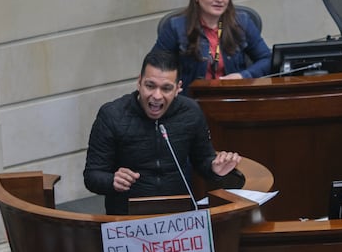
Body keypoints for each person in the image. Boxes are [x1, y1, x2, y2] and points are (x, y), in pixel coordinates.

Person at [83, 50, 241, 215]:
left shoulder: (190, 112)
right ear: (139, 82)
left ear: (178, 88)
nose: (157, 96)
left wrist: (214, 169)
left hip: (177, 215)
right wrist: (111, 180)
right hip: (127, 217)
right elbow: (92, 176)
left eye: (166, 88)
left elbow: (203, 160)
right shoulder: (112, 115)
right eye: (150, 86)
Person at [152, 0, 271, 94]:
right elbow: (155, 66)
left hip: (234, 98)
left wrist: (243, 76)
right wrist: (171, 86)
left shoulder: (242, 22)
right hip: (190, 103)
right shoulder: (176, 26)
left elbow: (267, 59)